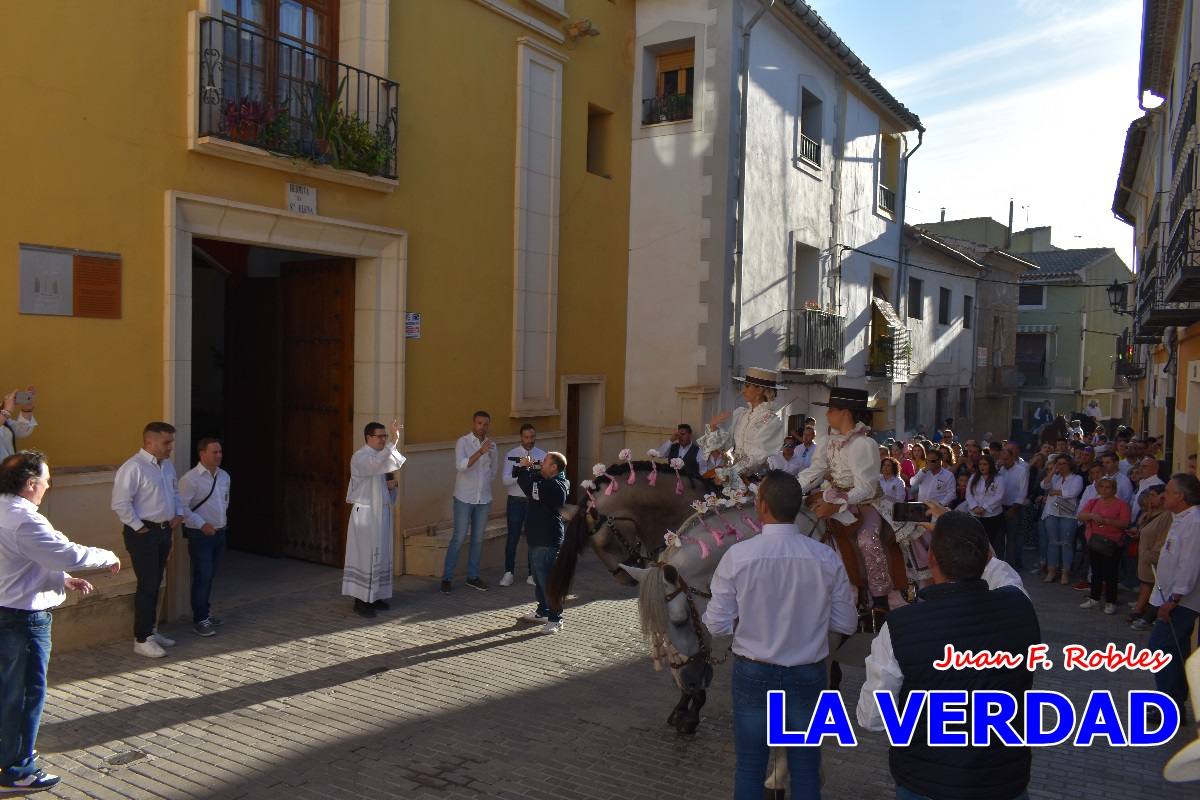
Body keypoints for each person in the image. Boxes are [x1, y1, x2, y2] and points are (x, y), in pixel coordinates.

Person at [857, 510, 1040, 800]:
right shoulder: (1020, 605)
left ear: (931, 559)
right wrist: (963, 526)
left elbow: (872, 717)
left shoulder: (900, 627)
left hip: (926, 784)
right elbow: (998, 569)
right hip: (1004, 783)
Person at [703, 470, 857, 800]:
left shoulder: (738, 557)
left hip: (753, 670)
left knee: (750, 766)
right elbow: (846, 623)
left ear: (762, 507)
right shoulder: (825, 557)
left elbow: (716, 624)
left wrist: (747, 625)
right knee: (805, 766)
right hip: (807, 672)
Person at [0, 451, 121, 792]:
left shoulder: (4, 511)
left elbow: (25, 560)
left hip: (7, 609)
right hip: (22, 619)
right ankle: (17, 771)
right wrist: (106, 556)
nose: (48, 487)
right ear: (30, 483)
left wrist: (63, 579)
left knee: (10, 691)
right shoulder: (24, 519)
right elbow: (62, 552)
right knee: (25, 693)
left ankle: (11, 752)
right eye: (46, 481)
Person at [797, 387, 904, 611]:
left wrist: (836, 504)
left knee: (867, 539)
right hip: (833, 497)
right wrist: (790, 490)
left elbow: (865, 487)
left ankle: (881, 598)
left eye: (831, 410)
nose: (827, 415)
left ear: (845, 412)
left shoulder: (864, 444)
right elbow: (813, 472)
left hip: (866, 504)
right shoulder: (828, 441)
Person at [111, 422, 204, 658]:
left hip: (164, 531)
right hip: (144, 533)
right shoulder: (133, 467)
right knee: (148, 584)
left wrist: (178, 514)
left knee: (157, 581)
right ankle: (141, 639)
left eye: (171, 442)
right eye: (166, 442)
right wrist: (140, 527)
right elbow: (121, 503)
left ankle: (150, 630)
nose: (171, 447)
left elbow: (173, 492)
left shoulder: (167, 466)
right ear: (150, 442)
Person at [1149, 473, 1200, 720]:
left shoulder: (1194, 522)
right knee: (1172, 648)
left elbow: (1189, 564)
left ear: (1181, 496)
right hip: (1170, 596)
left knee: (1161, 647)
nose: (1163, 496)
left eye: (1168, 492)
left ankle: (1169, 704)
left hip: (1182, 600)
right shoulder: (1178, 518)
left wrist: (1174, 599)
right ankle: (1173, 703)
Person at [344, 421, 405, 617]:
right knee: (365, 557)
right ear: (368, 437)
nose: (383, 440)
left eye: (385, 436)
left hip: (381, 513)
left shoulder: (379, 458)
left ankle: (376, 596)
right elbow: (376, 466)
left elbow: (385, 471)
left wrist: (391, 487)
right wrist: (394, 441)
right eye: (380, 436)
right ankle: (361, 601)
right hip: (366, 514)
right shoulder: (361, 457)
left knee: (382, 554)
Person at [177, 438, 230, 636]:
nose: (219, 455)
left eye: (220, 452)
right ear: (202, 454)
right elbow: (181, 507)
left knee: (210, 575)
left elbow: (224, 502)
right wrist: (202, 524)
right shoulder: (190, 479)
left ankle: (205, 613)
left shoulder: (224, 476)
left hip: (219, 532)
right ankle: (200, 619)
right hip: (200, 535)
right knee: (203, 575)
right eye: (214, 452)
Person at [698, 367, 786, 487]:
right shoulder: (741, 413)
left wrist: (729, 472)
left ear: (759, 389)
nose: (743, 390)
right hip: (734, 475)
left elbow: (757, 457)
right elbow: (728, 444)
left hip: (755, 480)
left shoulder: (771, 421)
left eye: (747, 386)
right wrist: (714, 428)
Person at [514, 451, 569, 634]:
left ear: (554, 467)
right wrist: (526, 467)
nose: (541, 462)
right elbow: (527, 478)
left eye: (545, 461)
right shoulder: (545, 479)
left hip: (548, 540)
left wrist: (526, 468)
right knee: (538, 578)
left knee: (548, 581)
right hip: (536, 537)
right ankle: (543, 611)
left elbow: (528, 486)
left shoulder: (557, 485)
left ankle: (556, 619)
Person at [443, 411, 496, 593]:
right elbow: (461, 465)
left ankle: (472, 576)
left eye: (486, 424)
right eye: (479, 423)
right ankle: (447, 578)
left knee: (478, 539)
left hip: (484, 498)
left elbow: (493, 470)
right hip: (464, 498)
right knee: (458, 537)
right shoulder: (463, 442)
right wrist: (480, 452)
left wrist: (486, 452)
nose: (482, 427)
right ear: (474, 423)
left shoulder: (492, 446)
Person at [500, 424, 546, 588]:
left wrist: (537, 470)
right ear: (521, 437)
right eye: (526, 437)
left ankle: (532, 574)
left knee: (532, 538)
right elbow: (505, 480)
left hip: (534, 501)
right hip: (515, 501)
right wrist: (521, 468)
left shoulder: (542, 455)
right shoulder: (512, 455)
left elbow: (546, 478)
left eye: (532, 437)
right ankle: (508, 573)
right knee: (513, 537)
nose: (529, 441)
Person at [1077, 477, 1131, 615]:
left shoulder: (1121, 504)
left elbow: (1125, 523)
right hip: (1095, 541)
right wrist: (1091, 515)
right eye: (1102, 487)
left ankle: (1110, 601)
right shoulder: (1093, 502)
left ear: (1113, 489)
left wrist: (1107, 521)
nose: (1105, 490)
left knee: (1111, 573)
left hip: (1112, 543)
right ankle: (1094, 598)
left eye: (1108, 487)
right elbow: (1081, 515)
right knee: (1096, 572)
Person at [1130, 486, 1170, 631]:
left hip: (1152, 558)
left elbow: (1163, 539)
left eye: (1153, 495)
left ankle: (1145, 614)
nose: (1150, 498)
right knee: (1145, 583)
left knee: (1152, 585)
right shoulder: (1147, 513)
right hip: (1144, 555)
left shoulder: (1167, 516)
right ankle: (1143, 609)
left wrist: (1150, 555)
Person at [1039, 455, 1083, 584]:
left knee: (1066, 543)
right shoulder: (1055, 477)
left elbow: (1072, 493)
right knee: (1052, 543)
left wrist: (1056, 492)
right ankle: (1052, 571)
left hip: (1068, 514)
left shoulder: (1077, 478)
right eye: (1058, 463)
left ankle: (1065, 572)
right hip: (1052, 513)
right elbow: (1044, 485)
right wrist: (1053, 471)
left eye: (1063, 463)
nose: (1061, 466)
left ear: (1070, 465)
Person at [965, 453, 1006, 557]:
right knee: (976, 541)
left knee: (991, 543)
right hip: (975, 514)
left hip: (992, 516)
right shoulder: (974, 477)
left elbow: (998, 497)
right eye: (980, 464)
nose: (982, 467)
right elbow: (969, 493)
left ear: (990, 465)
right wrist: (974, 507)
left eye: (985, 464)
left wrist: (984, 507)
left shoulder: (998, 479)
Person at [998, 442, 1030, 568]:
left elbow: (1022, 493)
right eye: (1002, 459)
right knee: (1000, 540)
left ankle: (1011, 566)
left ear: (1012, 458)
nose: (1004, 462)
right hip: (1000, 508)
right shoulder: (1000, 470)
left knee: (1012, 540)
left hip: (1014, 508)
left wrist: (1013, 509)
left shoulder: (1022, 471)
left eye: (1006, 459)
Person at [0, 389, 37, 461]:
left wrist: (26, 409)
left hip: (7, 469)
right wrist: (6, 411)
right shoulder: (4, 413)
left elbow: (21, 432)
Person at [1132, 456, 1166, 523]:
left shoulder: (1158, 485)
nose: (1140, 469)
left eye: (1144, 467)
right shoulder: (1142, 482)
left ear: (1155, 469)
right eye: (1140, 466)